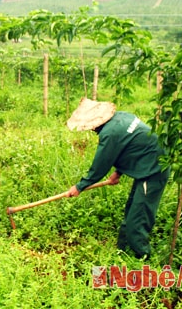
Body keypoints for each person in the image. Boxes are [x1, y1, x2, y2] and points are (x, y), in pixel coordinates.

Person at [65, 97, 170, 259]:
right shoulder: (122, 117)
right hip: (147, 165)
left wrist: (80, 186)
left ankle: (143, 261)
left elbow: (100, 165)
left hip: (154, 170)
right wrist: (118, 172)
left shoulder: (109, 134)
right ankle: (121, 252)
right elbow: (130, 145)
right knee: (131, 212)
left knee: (137, 220)